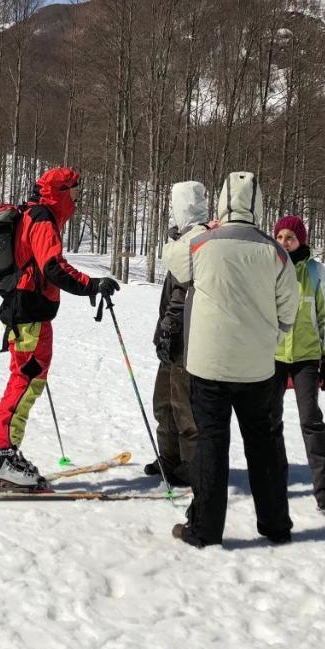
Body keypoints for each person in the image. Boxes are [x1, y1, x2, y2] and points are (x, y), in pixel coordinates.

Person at [163, 171, 298, 548]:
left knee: (211, 445)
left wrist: (197, 228)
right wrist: (270, 340)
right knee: (264, 445)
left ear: (222, 202)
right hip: (257, 369)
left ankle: (205, 529)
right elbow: (289, 310)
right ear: (258, 206)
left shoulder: (202, 244)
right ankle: (276, 525)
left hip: (208, 365)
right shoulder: (275, 251)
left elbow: (172, 259)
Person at [0, 167, 119, 487]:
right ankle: (1, 455)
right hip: (29, 312)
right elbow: (53, 267)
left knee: (26, 380)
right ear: (60, 192)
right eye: (74, 191)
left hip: (26, 311)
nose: (77, 199)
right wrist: (91, 284)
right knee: (25, 381)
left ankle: (4, 451)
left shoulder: (33, 214)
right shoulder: (41, 218)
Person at [271, 214, 325, 512]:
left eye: (290, 237)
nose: (284, 242)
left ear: (301, 240)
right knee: (269, 423)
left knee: (311, 420)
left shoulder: (315, 271)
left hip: (306, 357)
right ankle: (273, 485)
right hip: (273, 355)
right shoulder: (269, 267)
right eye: (279, 237)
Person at [147, 181, 208, 487]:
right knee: (164, 401)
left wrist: (170, 326)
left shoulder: (198, 240)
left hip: (187, 335)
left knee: (184, 404)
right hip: (172, 333)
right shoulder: (183, 239)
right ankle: (169, 458)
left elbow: (183, 293)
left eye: (175, 206)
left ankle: (190, 463)